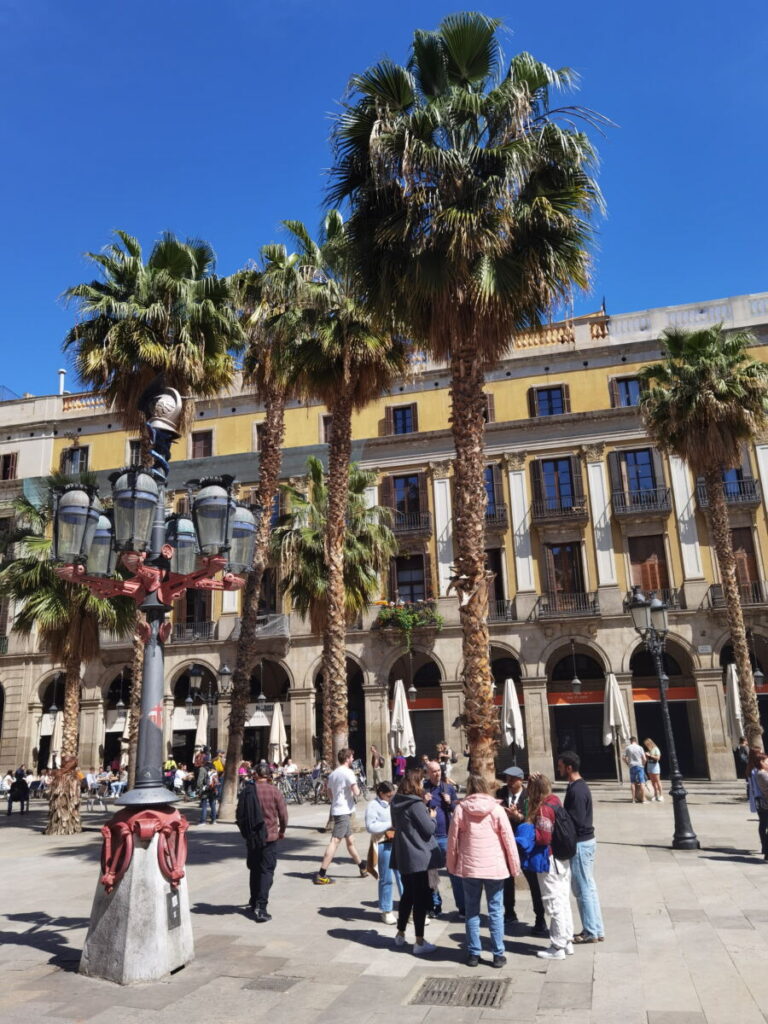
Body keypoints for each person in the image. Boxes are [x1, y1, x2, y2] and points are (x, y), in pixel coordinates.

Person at [447, 774, 520, 968]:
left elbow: (452, 840)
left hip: (470, 868)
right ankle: (498, 954)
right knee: (496, 911)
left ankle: (473, 953)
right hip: (494, 868)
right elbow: (508, 839)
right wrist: (514, 867)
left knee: (472, 911)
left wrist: (452, 866)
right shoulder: (496, 809)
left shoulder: (461, 809)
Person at [516, 773, 574, 960]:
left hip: (549, 860)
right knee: (563, 899)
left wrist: (530, 829)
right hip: (562, 858)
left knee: (552, 901)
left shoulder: (543, 809)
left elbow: (544, 838)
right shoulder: (555, 800)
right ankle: (567, 941)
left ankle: (557, 946)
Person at [558, 751, 605, 944]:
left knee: (582, 889)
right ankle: (596, 928)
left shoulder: (577, 790)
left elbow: (574, 821)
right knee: (589, 887)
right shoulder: (579, 786)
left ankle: (590, 931)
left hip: (580, 843)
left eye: (560, 765)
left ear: (569, 767)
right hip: (586, 842)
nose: (558, 768)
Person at [391, 769, 438, 955]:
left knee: (407, 895)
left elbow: (396, 825)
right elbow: (428, 829)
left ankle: (400, 934)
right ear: (416, 783)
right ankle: (419, 941)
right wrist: (432, 818)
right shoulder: (416, 804)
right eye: (422, 781)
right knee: (419, 899)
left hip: (403, 854)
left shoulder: (396, 801)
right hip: (418, 856)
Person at [495, 767, 547, 934]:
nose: (509, 783)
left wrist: (519, 818)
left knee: (533, 883)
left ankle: (540, 918)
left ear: (520, 780)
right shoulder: (500, 794)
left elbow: (534, 819)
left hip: (525, 846)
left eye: (512, 779)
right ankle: (509, 912)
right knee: (507, 880)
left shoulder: (529, 797)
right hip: (506, 843)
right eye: (507, 779)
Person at [236, 764, 288, 921]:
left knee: (255, 869)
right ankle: (261, 906)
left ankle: (254, 901)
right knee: (267, 871)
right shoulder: (274, 791)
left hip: (252, 838)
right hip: (270, 837)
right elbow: (283, 815)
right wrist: (282, 831)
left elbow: (240, 814)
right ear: (269, 775)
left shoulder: (248, 791)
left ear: (256, 774)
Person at [314, 748, 366, 884]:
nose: (353, 759)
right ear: (347, 758)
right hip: (344, 811)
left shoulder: (333, 774)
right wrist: (358, 790)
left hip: (338, 809)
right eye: (352, 757)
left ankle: (362, 868)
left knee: (350, 841)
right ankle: (321, 874)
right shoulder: (348, 773)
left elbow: (329, 793)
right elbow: (356, 792)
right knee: (335, 841)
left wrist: (337, 800)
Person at [422, 760, 464, 918]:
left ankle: (462, 906)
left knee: (454, 872)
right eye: (433, 771)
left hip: (446, 835)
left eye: (438, 770)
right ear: (427, 773)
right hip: (429, 837)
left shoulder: (449, 788)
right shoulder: (423, 789)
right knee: (431, 874)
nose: (437, 773)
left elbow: (457, 810)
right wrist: (423, 801)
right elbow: (418, 810)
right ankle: (435, 905)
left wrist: (450, 803)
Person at [365, 780, 402, 924]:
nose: (391, 797)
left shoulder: (394, 803)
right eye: (388, 795)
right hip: (383, 843)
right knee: (386, 879)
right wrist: (390, 825)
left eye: (392, 794)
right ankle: (386, 910)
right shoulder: (373, 806)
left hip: (398, 843)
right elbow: (370, 826)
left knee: (402, 877)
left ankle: (409, 908)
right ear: (381, 794)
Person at [748, 751, 768, 861]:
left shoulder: (758, 772)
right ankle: (766, 849)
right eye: (766, 761)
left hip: (761, 803)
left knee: (763, 826)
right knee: (764, 826)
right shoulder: (761, 774)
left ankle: (765, 849)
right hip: (764, 803)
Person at [624, 736, 647, 803]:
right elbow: (644, 759)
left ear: (631, 741)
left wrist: (627, 763)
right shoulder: (640, 747)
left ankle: (633, 799)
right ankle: (643, 799)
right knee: (642, 782)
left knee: (632, 782)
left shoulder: (628, 748)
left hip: (632, 766)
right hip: (639, 766)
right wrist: (643, 764)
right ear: (636, 741)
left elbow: (624, 757)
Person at [198, 761, 219, 825]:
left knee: (204, 805)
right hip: (213, 789)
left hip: (205, 790)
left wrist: (199, 788)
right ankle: (214, 820)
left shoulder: (202, 769)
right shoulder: (215, 771)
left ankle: (203, 821)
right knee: (213, 804)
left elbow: (199, 781)